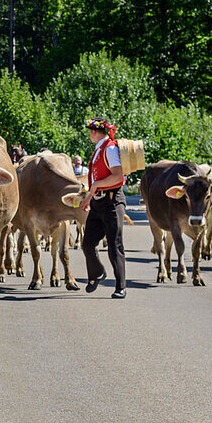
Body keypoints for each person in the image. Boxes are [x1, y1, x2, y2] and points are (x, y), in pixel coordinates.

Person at [80, 118, 126, 299]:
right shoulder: (100, 148)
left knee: (114, 245)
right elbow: (95, 183)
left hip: (112, 203)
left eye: (92, 131)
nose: (90, 134)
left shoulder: (110, 148)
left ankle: (120, 286)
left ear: (96, 132)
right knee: (88, 243)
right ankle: (97, 273)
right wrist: (88, 199)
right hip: (98, 203)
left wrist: (97, 185)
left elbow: (118, 177)